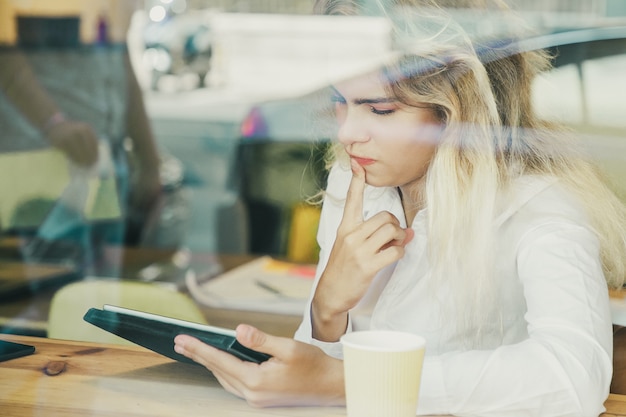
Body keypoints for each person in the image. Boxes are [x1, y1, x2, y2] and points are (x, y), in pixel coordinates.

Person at [173, 0, 626, 415]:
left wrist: (355, 380)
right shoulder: (354, 184)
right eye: (340, 103)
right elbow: (320, 382)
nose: (349, 133)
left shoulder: (538, 211)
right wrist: (327, 312)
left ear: (456, 112)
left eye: (381, 110)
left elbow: (573, 376)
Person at [0, 1, 161, 274]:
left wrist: (149, 159)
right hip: (41, 161)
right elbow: (5, 53)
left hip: (102, 161)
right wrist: (53, 122)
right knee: (43, 294)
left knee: (98, 292)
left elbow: (120, 60)